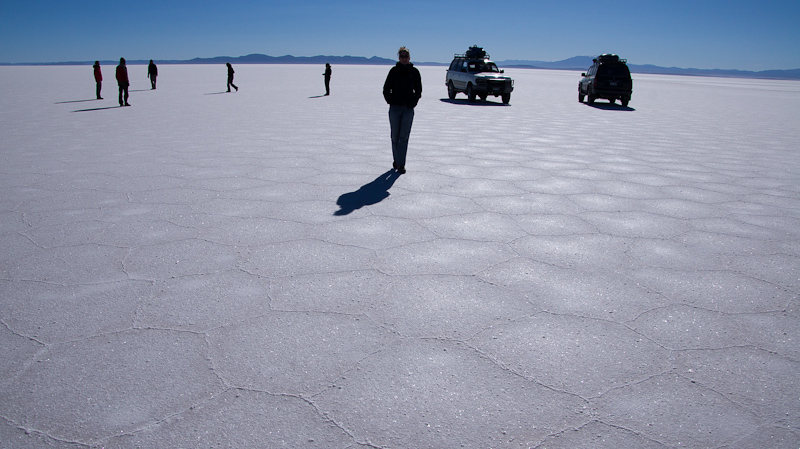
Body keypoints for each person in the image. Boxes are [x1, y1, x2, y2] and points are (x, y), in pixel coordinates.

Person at [382, 47, 421, 174]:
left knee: (403, 138)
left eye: (406, 56)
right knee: (395, 137)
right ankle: (397, 160)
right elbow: (386, 88)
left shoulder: (414, 72)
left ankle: (401, 164)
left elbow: (418, 90)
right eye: (402, 56)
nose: (404, 59)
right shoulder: (394, 71)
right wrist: (391, 101)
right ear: (399, 58)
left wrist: (413, 102)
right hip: (395, 108)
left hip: (408, 109)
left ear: (409, 58)